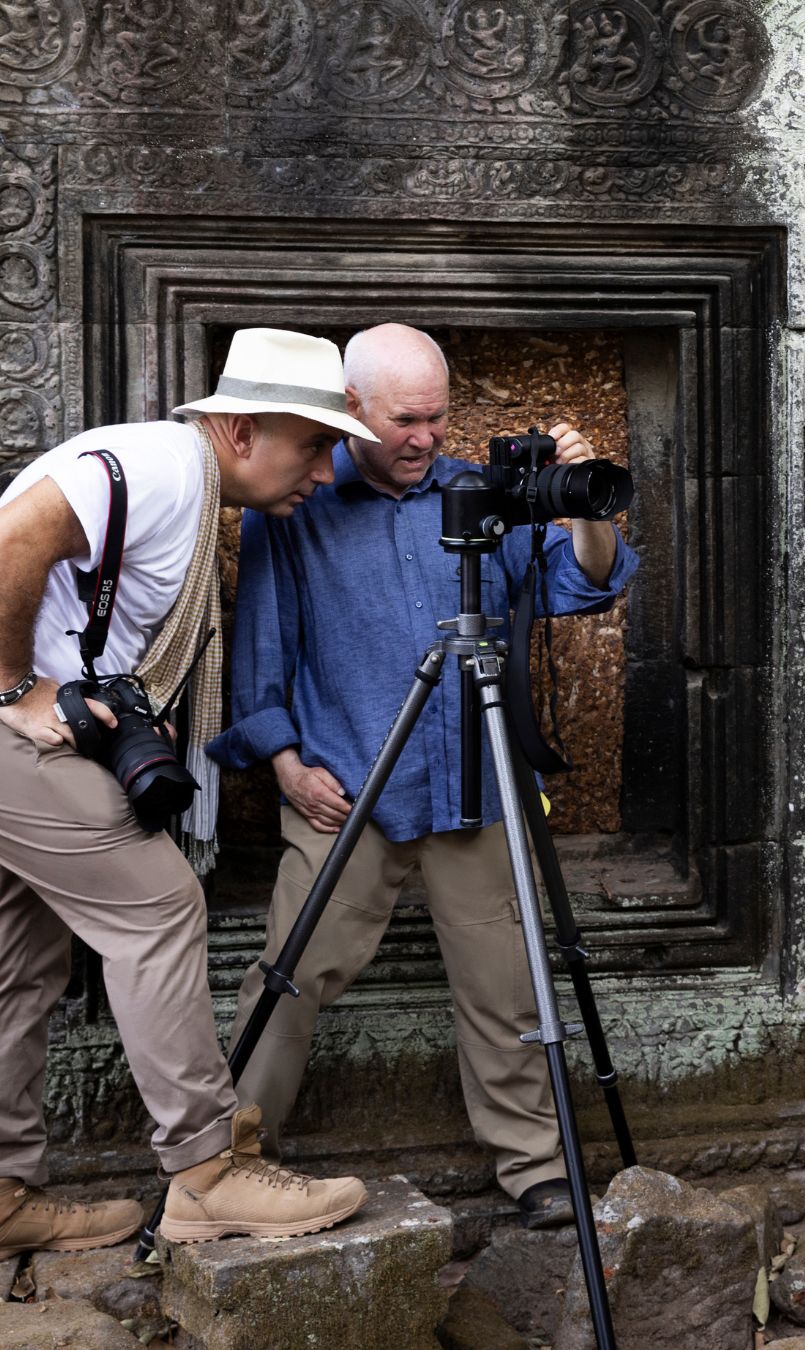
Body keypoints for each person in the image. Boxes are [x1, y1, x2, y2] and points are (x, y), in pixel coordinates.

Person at [0, 328, 380, 1268]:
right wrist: (15, 687)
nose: (325, 468)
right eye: (313, 444)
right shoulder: (163, 467)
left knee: (15, 956)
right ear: (239, 431)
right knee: (157, 905)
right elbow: (18, 533)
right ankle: (208, 1173)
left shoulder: (183, 479)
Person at [208, 324, 640, 1228]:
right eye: (405, 420)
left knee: (506, 981)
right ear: (350, 411)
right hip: (348, 786)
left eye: (437, 418)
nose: (426, 437)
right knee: (291, 973)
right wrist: (285, 763)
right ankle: (228, 1163)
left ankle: (535, 1165)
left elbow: (588, 583)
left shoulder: (481, 495)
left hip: (475, 780)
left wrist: (584, 503)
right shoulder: (297, 502)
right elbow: (261, 644)